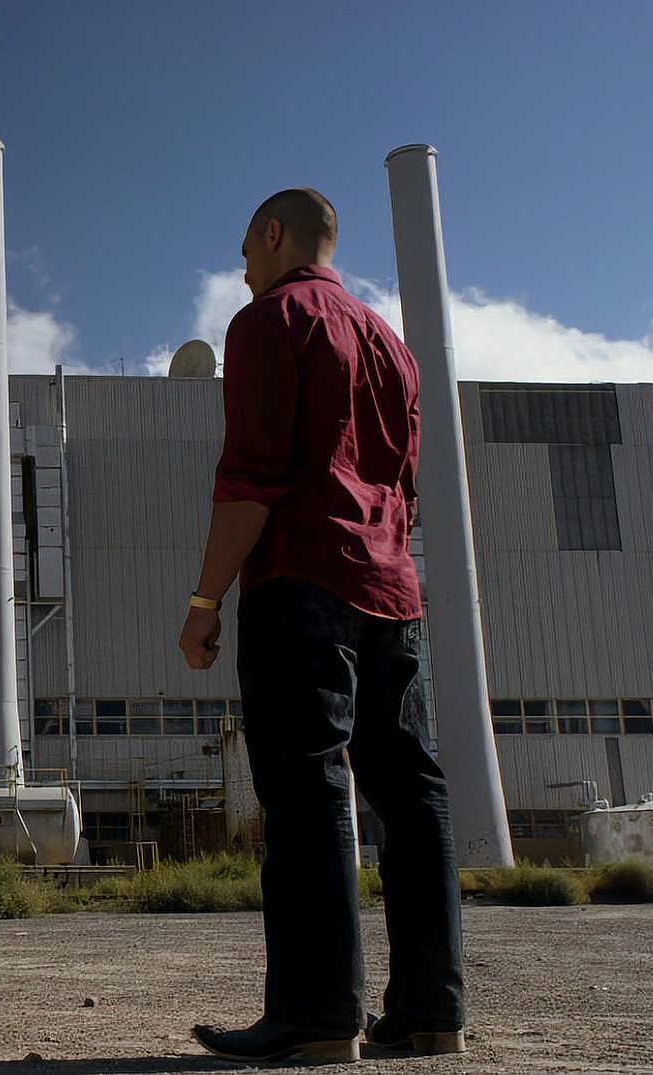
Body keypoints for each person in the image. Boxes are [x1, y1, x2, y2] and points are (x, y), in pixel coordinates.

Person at [180, 189, 468, 1062]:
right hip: (394, 589)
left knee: (306, 793)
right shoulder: (392, 344)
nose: (242, 267)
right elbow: (407, 485)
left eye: (246, 249)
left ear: (274, 236)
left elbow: (252, 477)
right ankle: (431, 1014)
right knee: (415, 796)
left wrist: (203, 604)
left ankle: (316, 1015)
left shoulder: (271, 319)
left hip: (301, 580)